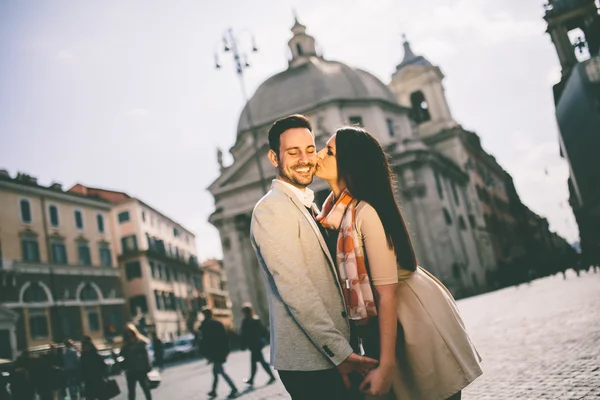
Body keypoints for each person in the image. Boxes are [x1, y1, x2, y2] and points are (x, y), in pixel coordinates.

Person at [314, 126, 483, 399]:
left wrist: (386, 365)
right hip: (392, 319)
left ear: (349, 162)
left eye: (329, 151)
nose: (319, 155)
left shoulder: (363, 212)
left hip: (411, 317)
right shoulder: (335, 212)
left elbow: (386, 294)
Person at [250, 114, 378, 400]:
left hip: (329, 354)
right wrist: (341, 353)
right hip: (313, 362)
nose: (305, 159)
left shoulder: (305, 204)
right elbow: (296, 288)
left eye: (310, 150)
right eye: (293, 152)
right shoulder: (272, 209)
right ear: (274, 158)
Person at [199, 308, 239, 399]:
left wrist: (206, 354)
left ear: (204, 315)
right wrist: (227, 350)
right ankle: (213, 391)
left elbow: (205, 341)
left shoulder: (205, 325)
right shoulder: (217, 323)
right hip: (220, 351)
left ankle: (234, 388)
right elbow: (225, 338)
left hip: (214, 352)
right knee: (215, 372)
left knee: (220, 371)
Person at [239, 303, 276, 386]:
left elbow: (244, 334)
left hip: (253, 345)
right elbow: (263, 331)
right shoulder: (256, 319)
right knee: (256, 362)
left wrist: (243, 345)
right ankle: (252, 379)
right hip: (258, 344)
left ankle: (270, 377)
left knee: (258, 362)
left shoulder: (246, 321)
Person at [121, 324, 152, 400]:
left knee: (145, 388)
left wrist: (148, 366)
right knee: (131, 391)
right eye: (127, 333)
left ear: (134, 332)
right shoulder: (125, 345)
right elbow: (122, 356)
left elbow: (145, 355)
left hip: (140, 369)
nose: (129, 334)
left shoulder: (140, 343)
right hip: (130, 370)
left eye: (130, 332)